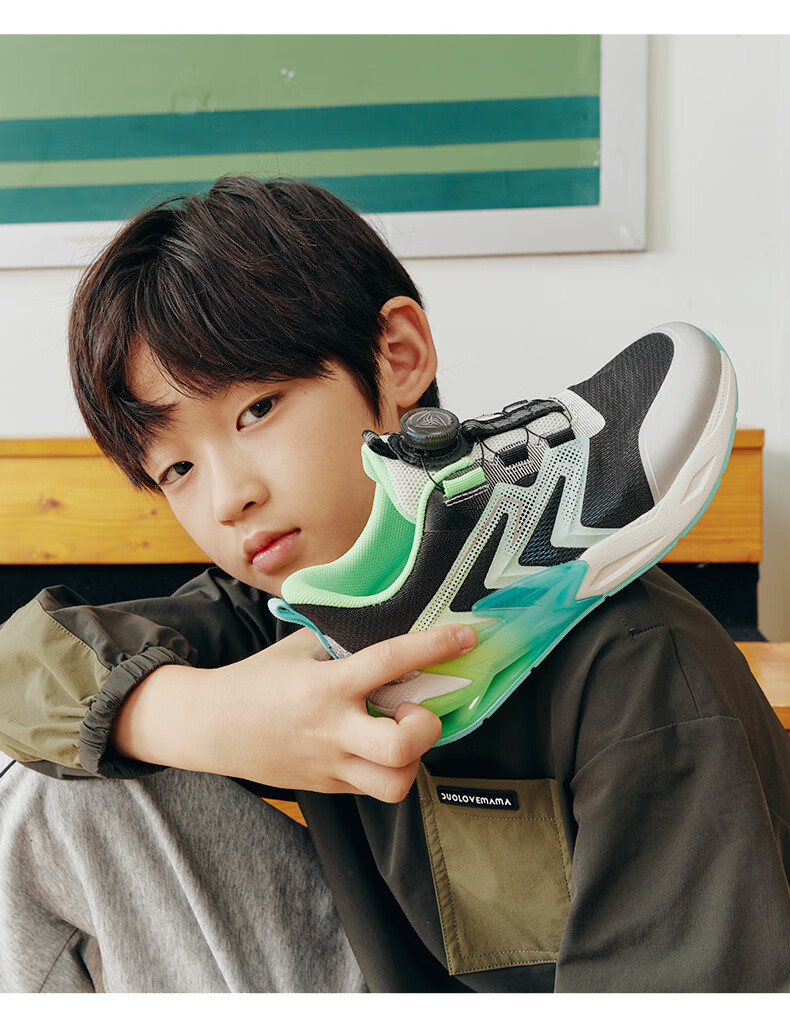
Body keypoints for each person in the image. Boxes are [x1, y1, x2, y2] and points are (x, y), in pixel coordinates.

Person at [1, 175, 789, 993]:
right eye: (177, 469)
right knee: (47, 789)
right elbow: (17, 671)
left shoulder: (638, 667)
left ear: (398, 355)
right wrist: (212, 716)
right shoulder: (273, 621)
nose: (228, 497)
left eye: (257, 410)